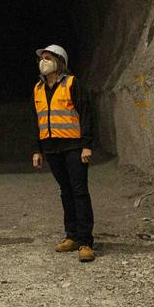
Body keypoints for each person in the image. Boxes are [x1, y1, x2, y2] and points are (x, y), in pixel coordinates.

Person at [31, 44, 97, 262]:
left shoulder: (71, 83)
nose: (43, 62)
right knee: (65, 191)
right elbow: (36, 120)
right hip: (51, 148)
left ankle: (86, 242)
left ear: (59, 62)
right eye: (42, 58)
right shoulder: (38, 88)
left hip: (73, 146)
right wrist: (36, 150)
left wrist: (87, 145)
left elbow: (86, 114)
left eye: (48, 58)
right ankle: (72, 236)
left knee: (79, 191)